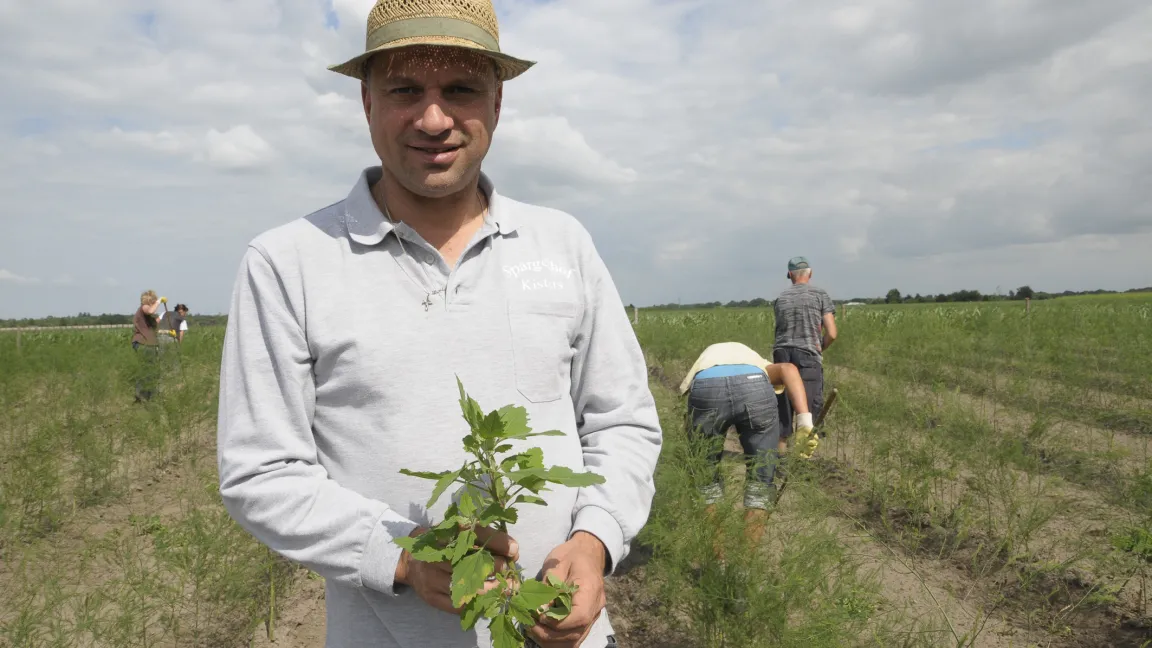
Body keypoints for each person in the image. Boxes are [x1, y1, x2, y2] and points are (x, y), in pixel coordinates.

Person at [214, 2, 663, 648]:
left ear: (497, 102)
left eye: (460, 90)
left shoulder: (563, 245)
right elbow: (260, 469)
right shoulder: (288, 263)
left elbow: (621, 421)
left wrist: (595, 540)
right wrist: (400, 552)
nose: (433, 118)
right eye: (404, 90)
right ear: (366, 103)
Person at [678, 342, 816, 546]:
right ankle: (743, 566)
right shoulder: (758, 364)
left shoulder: (703, 363)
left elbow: (689, 410)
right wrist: (805, 423)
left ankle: (717, 562)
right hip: (755, 387)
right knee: (760, 483)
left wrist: (692, 447)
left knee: (706, 482)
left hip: (707, 387)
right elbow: (788, 369)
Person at [772, 256, 837, 438]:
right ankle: (803, 460)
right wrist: (818, 348)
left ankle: (780, 459)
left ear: (790, 275)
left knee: (783, 410)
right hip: (807, 356)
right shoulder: (819, 295)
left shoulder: (780, 298)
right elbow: (831, 333)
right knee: (808, 410)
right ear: (810, 274)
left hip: (781, 356)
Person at [131, 290, 162, 401]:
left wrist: (162, 317)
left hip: (149, 344)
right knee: (148, 370)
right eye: (153, 301)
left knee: (150, 370)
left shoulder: (148, 315)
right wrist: (159, 301)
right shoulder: (144, 308)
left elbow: (153, 326)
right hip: (143, 343)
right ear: (150, 300)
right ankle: (144, 397)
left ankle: (146, 396)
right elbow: (150, 310)